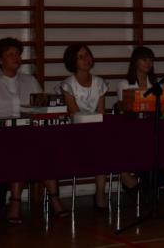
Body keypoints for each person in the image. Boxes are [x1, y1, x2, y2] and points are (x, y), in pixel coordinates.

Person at [0, 37, 67, 223]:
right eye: (10, 54)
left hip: (31, 136)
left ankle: (53, 198)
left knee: (45, 149)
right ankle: (17, 202)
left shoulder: (30, 80)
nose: (16, 57)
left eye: (17, 53)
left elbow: (42, 108)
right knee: (19, 150)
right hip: (1, 139)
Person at [60, 43, 109, 210]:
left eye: (87, 55)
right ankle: (122, 177)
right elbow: (74, 113)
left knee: (105, 143)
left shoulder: (100, 83)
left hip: (97, 130)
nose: (86, 59)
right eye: (80, 57)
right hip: (76, 131)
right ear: (72, 61)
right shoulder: (68, 84)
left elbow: (101, 112)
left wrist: (97, 126)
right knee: (102, 145)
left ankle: (100, 192)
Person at [115, 46, 159, 191]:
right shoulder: (124, 84)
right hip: (132, 127)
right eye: (144, 59)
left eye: (150, 60)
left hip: (152, 127)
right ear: (135, 62)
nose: (148, 63)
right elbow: (124, 109)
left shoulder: (155, 84)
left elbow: (162, 109)